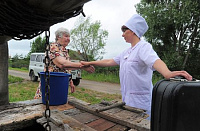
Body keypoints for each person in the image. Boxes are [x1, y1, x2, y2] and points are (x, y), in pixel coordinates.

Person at [81, 14, 192, 119]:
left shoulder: (143, 47)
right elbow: (110, 61)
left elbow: (155, 61)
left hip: (141, 102)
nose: (122, 34)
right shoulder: (126, 52)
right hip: (127, 100)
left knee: (141, 125)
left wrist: (167, 73)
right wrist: (90, 62)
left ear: (133, 31)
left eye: (125, 31)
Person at [34, 27, 95, 99]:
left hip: (60, 82)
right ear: (58, 37)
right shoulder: (53, 47)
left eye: (69, 37)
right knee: (46, 104)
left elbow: (67, 67)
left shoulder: (64, 50)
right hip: (51, 81)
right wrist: (83, 66)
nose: (68, 39)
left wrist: (70, 81)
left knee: (59, 104)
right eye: (66, 36)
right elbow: (62, 64)